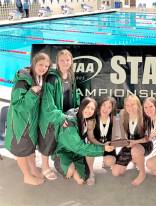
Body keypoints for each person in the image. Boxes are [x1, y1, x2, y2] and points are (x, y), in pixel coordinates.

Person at [5, 52, 51, 185]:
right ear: (33, 63)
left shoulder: (37, 77)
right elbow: (18, 106)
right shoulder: (22, 81)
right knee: (21, 151)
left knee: (30, 149)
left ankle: (33, 170)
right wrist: (32, 92)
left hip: (31, 122)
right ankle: (26, 176)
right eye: (40, 64)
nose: (43, 68)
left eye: (46, 66)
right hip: (21, 123)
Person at [39, 49, 80, 181]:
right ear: (57, 62)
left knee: (62, 140)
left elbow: (74, 94)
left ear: (71, 61)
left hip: (67, 114)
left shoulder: (71, 75)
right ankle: (45, 167)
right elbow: (48, 104)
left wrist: (77, 108)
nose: (65, 63)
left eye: (67, 60)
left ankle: (62, 159)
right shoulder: (51, 78)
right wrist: (60, 117)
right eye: (62, 60)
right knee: (48, 141)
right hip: (53, 116)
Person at [52, 97, 106, 184]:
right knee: (69, 171)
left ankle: (76, 170)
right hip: (64, 151)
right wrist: (103, 149)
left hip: (77, 154)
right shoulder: (69, 122)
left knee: (84, 176)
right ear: (82, 106)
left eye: (92, 109)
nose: (89, 111)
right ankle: (70, 168)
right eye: (87, 107)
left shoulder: (85, 117)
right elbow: (79, 147)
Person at [111, 95, 153, 186]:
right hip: (129, 144)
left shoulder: (145, 116)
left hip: (144, 144)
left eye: (133, 104)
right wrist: (123, 139)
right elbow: (118, 133)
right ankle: (134, 159)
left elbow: (148, 137)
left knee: (135, 150)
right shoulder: (123, 114)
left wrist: (135, 142)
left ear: (138, 105)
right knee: (116, 172)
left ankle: (142, 173)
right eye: (127, 105)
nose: (130, 107)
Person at [85, 97, 117, 185]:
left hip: (108, 146)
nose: (106, 109)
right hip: (96, 143)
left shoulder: (115, 120)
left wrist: (113, 145)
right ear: (99, 106)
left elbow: (117, 138)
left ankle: (105, 162)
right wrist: (102, 146)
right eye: (104, 105)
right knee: (89, 151)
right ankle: (91, 173)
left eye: (109, 107)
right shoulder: (92, 120)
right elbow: (91, 138)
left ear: (112, 109)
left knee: (110, 161)